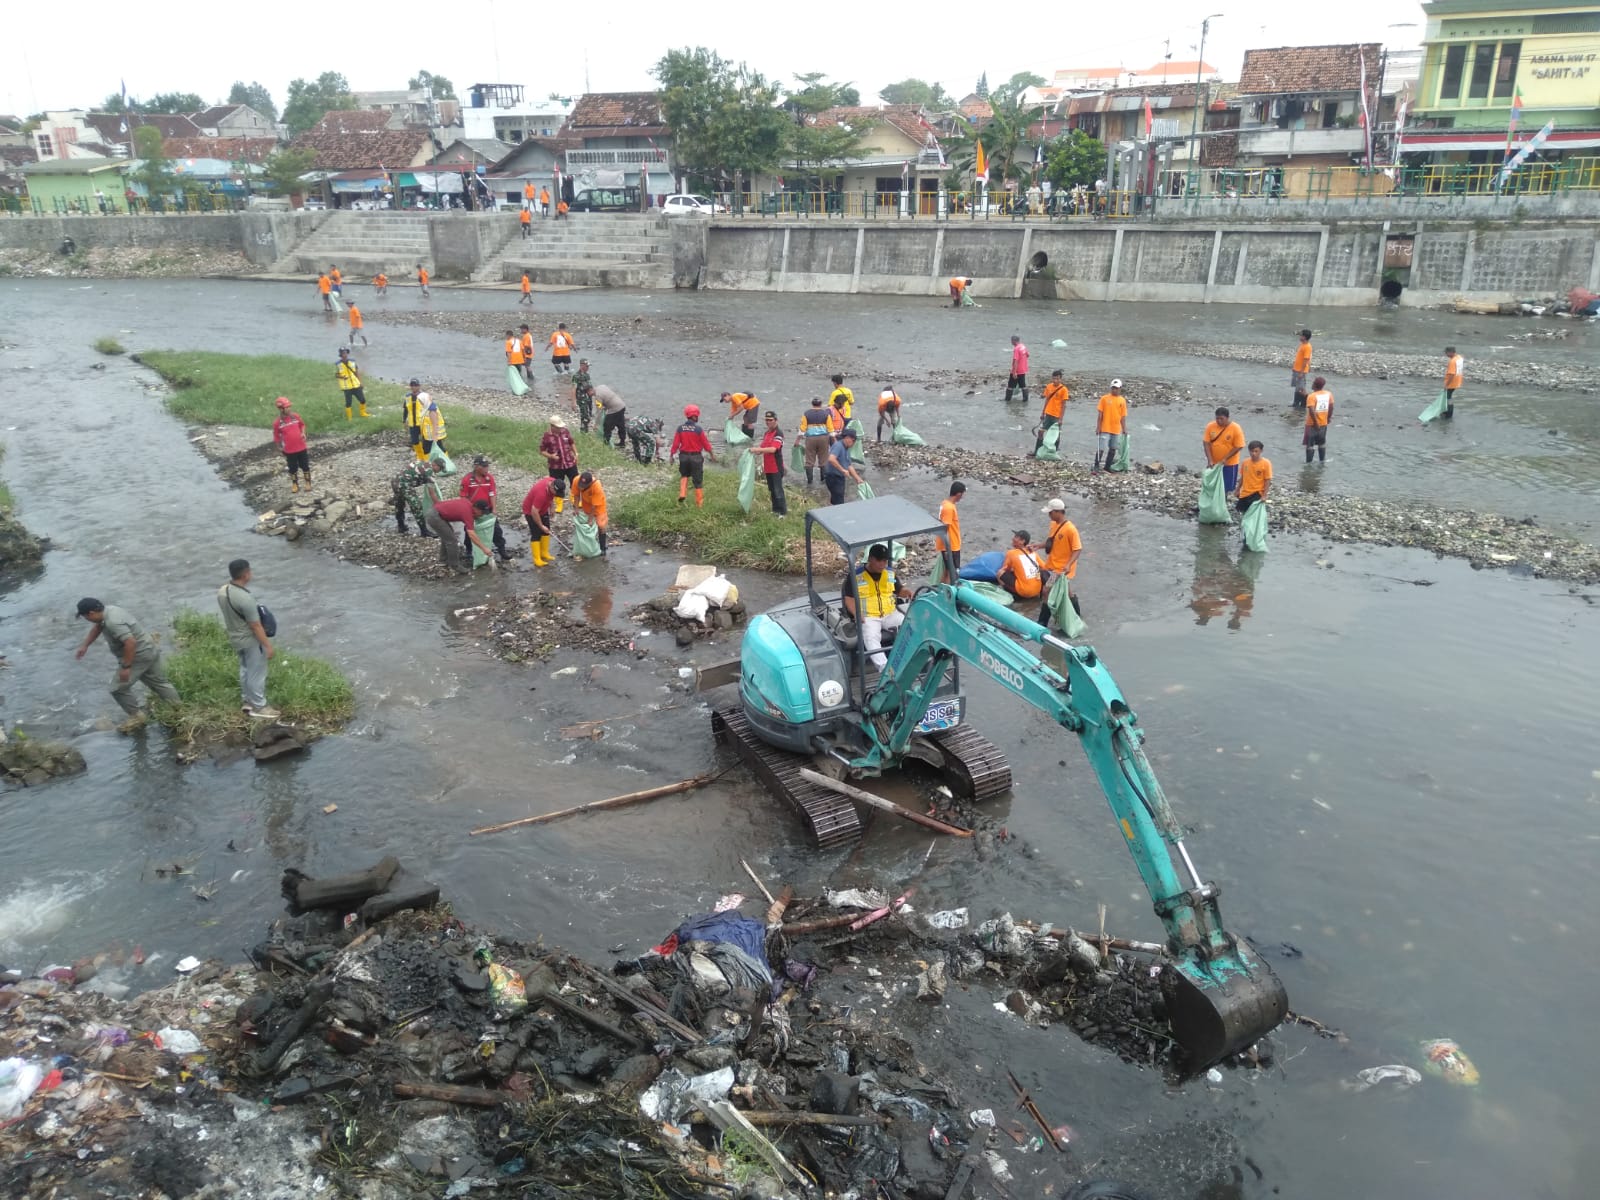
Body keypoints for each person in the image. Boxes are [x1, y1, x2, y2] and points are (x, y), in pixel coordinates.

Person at [74, 598, 179, 730]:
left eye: (85, 617)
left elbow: (130, 642)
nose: (86, 619)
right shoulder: (110, 610)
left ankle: (137, 717)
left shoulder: (112, 622)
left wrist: (126, 667)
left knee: (117, 689)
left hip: (138, 655)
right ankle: (179, 710)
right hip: (148, 647)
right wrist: (85, 646)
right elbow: (98, 627)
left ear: (91, 613)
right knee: (159, 682)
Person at [217, 559, 278, 719]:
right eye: (250, 571)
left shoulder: (223, 591)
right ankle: (260, 707)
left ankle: (247, 701)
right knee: (257, 673)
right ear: (245, 574)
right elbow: (256, 626)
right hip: (250, 641)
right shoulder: (245, 599)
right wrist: (267, 646)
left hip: (235, 639)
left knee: (245, 669)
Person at [844, 543, 910, 670]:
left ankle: (905, 662)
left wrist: (906, 592)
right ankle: (885, 670)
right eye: (879, 560)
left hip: (890, 613)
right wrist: (857, 614)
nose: (883, 564)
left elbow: (899, 590)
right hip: (868, 616)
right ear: (870, 559)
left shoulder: (890, 573)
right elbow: (849, 599)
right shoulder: (855, 576)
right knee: (870, 636)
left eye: (885, 560)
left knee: (907, 626)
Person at [1034, 500, 1082, 626]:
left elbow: (1077, 549)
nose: (1049, 515)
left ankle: (1042, 622)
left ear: (1058, 512)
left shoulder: (1070, 529)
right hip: (1052, 565)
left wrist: (1068, 565)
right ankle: (1077, 617)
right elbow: (1052, 542)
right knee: (1068, 592)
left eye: (1050, 513)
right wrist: (1038, 546)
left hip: (1060, 569)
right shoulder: (1053, 525)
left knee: (1046, 591)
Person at [461, 456, 513, 562]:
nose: (486, 469)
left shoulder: (489, 478)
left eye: (487, 466)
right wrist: (469, 511)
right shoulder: (467, 479)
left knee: (496, 530)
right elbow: (463, 497)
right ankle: (469, 550)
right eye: (484, 467)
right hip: (472, 510)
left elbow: (492, 493)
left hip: (486, 509)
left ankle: (502, 550)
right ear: (476, 467)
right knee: (469, 530)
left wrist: (494, 508)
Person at [392, 450, 451, 536]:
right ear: (435, 465)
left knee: (400, 504)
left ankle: (401, 526)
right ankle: (424, 531)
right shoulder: (430, 472)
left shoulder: (424, 463)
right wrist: (439, 506)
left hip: (395, 481)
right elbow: (432, 493)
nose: (440, 471)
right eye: (440, 468)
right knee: (417, 506)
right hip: (404, 484)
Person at [427, 497, 492, 574]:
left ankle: (443, 561)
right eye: (482, 513)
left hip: (435, 511)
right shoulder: (467, 513)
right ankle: (455, 565)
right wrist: (484, 548)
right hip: (434, 516)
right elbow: (471, 534)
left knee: (447, 537)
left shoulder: (468, 504)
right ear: (476, 509)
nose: (482, 515)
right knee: (452, 541)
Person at [669, 403, 717, 506]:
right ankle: (699, 504)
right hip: (696, 457)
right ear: (695, 416)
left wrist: (671, 455)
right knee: (698, 481)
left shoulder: (680, 428)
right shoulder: (698, 429)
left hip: (683, 457)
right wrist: (712, 455)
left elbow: (676, 444)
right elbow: (706, 444)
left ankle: (682, 493)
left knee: (684, 475)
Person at [521, 474, 565, 566]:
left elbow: (551, 495)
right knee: (536, 533)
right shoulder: (541, 494)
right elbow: (534, 512)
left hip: (543, 509)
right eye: (556, 493)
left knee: (546, 531)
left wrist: (552, 506)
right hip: (530, 511)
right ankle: (537, 559)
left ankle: (544, 553)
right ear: (552, 487)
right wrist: (541, 526)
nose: (556, 495)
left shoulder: (552, 481)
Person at [1202, 406, 1246, 495]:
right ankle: (1206, 504)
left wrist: (1225, 458)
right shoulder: (1210, 426)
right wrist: (1210, 460)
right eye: (1217, 418)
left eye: (1221, 419)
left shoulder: (1235, 428)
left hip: (1230, 464)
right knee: (1210, 484)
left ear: (1227, 418)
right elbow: (1206, 443)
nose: (1219, 421)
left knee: (1225, 487)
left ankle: (1221, 505)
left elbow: (1239, 446)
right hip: (1214, 463)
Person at [272, 397, 311, 492]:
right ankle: (294, 484)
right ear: (281, 409)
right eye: (286, 407)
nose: (289, 409)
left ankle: (308, 482)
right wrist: (279, 448)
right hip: (289, 450)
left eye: (289, 407)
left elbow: (302, 425)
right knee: (292, 468)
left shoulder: (295, 416)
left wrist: (303, 432)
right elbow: (276, 437)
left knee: (305, 465)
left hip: (301, 447)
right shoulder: (277, 423)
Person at [540, 414, 579, 503]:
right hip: (555, 466)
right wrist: (551, 456)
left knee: (575, 481)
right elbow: (542, 451)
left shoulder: (565, 431)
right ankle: (558, 502)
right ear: (552, 426)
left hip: (569, 462)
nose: (560, 429)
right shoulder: (547, 436)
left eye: (560, 427)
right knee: (557, 484)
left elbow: (571, 443)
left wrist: (576, 453)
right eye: (558, 427)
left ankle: (575, 498)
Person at [756, 411, 788, 516]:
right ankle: (775, 510)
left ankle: (782, 512)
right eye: (766, 420)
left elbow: (773, 449)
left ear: (776, 420)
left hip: (776, 467)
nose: (768, 422)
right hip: (768, 467)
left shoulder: (778, 433)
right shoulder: (767, 433)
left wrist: (756, 449)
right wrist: (755, 451)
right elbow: (763, 447)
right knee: (772, 489)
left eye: (770, 420)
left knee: (778, 490)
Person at [997, 530, 1045, 601]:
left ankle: (1008, 592)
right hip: (1037, 591)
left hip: (1025, 592)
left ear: (1022, 541)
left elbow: (1006, 570)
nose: (1013, 539)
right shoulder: (1033, 553)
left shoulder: (1011, 553)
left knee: (1000, 573)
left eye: (1016, 537)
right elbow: (1044, 567)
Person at [1093, 379, 1128, 474]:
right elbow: (1100, 415)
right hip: (1105, 428)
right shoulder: (1104, 399)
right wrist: (1098, 427)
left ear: (1120, 389)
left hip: (1116, 429)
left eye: (1116, 388)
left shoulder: (1122, 401)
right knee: (1101, 448)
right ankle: (1096, 465)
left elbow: (1123, 417)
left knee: (1113, 448)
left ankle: (1107, 467)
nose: (1114, 390)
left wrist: (1124, 429)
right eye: (1113, 388)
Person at [799, 397, 834, 486]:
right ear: (821, 404)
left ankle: (810, 482)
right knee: (823, 460)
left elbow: (802, 429)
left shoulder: (806, 414)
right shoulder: (826, 414)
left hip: (810, 439)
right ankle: (824, 480)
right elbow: (830, 429)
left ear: (812, 404)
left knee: (809, 461)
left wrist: (797, 440)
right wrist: (833, 441)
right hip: (823, 438)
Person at [1034, 370, 1069, 456]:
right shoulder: (1049, 387)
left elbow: (1064, 405)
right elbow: (1046, 400)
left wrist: (1061, 419)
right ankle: (1037, 451)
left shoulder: (1064, 389)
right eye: (1054, 378)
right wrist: (1042, 413)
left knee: (1056, 435)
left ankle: (1055, 452)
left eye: (1057, 379)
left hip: (1056, 416)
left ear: (1060, 379)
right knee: (1041, 432)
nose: (1055, 381)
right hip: (1048, 414)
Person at [824, 428, 862, 506]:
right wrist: (843, 470)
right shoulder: (838, 446)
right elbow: (831, 459)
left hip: (839, 478)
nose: (854, 443)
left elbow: (849, 465)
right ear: (847, 438)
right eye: (853, 440)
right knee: (839, 502)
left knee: (837, 499)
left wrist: (857, 478)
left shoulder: (846, 448)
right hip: (833, 477)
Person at [573, 471, 608, 556]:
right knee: (588, 525)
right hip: (586, 503)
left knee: (601, 525)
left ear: (590, 483)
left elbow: (594, 506)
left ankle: (602, 548)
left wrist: (590, 520)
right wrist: (576, 508)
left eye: (583, 486)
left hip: (598, 504)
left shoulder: (596, 486)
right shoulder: (576, 480)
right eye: (580, 485)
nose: (581, 488)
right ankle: (590, 545)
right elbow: (576, 495)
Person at [936, 481, 965, 573]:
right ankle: (951, 586)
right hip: (951, 546)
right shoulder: (949, 508)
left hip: (949, 545)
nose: (963, 497)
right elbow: (945, 527)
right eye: (963, 494)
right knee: (953, 572)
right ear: (959, 494)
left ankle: (943, 586)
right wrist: (947, 548)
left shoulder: (945, 503)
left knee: (948, 571)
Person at [1303, 376, 1333, 463]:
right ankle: (1322, 461)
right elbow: (1331, 407)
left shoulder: (1312, 396)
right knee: (1322, 443)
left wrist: (1316, 423)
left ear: (1314, 385)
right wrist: (1328, 418)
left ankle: (1308, 463)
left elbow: (1312, 411)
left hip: (1312, 424)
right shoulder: (1328, 394)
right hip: (1323, 423)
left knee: (1310, 445)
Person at [1237, 441, 1272, 514]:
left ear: (1261, 451)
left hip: (1257, 493)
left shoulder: (1266, 463)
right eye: (1251, 451)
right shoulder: (1245, 462)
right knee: (1242, 512)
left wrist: (1264, 495)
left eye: (1256, 451)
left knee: (1253, 513)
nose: (1253, 453)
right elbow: (1242, 477)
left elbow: (1267, 480)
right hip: (1245, 493)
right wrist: (1237, 489)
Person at [335, 347, 369, 420]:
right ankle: (349, 418)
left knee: (362, 400)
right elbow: (336, 375)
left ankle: (363, 413)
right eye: (343, 353)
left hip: (356, 384)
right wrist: (342, 377)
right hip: (347, 387)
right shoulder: (338, 364)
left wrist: (360, 382)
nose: (345, 354)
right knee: (348, 403)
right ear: (340, 354)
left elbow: (356, 372)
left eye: (346, 353)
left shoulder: (353, 362)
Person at [571, 358, 596, 432]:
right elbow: (573, 389)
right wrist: (574, 402)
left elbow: (590, 387)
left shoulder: (587, 375)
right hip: (581, 399)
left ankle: (585, 430)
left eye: (588, 366)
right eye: (586, 366)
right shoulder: (576, 376)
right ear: (582, 365)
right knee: (585, 417)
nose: (588, 368)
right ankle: (583, 431)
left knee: (589, 415)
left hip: (589, 399)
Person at [419, 389, 448, 456]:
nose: (420, 402)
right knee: (430, 449)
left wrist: (435, 438)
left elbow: (435, 424)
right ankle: (435, 462)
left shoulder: (432, 410)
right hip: (428, 435)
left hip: (432, 436)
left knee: (433, 449)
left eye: (421, 401)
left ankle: (444, 461)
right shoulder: (427, 407)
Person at [1291, 328, 1312, 408]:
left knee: (1301, 388)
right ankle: (1297, 403)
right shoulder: (1303, 345)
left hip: (1300, 371)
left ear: (1304, 337)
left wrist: (1301, 372)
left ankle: (1304, 403)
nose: (1299, 336)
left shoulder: (1307, 347)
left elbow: (1306, 360)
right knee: (1298, 387)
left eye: (1301, 335)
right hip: (1297, 369)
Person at [1005, 335, 1029, 403]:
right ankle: (1025, 400)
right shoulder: (1023, 346)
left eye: (1011, 340)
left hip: (1017, 370)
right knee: (1023, 385)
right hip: (1023, 370)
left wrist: (1014, 372)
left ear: (1013, 341)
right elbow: (1027, 355)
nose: (1011, 342)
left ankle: (1007, 400)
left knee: (1010, 386)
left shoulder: (1016, 349)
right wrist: (1023, 361)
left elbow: (1016, 360)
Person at [1443, 345, 1464, 418]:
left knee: (1448, 398)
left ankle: (1449, 414)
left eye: (1446, 353)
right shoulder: (1459, 357)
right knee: (1449, 397)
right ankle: (1448, 411)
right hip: (1458, 381)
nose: (1446, 354)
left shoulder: (1452, 361)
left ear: (1451, 352)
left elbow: (1451, 374)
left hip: (1451, 383)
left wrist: (1446, 385)